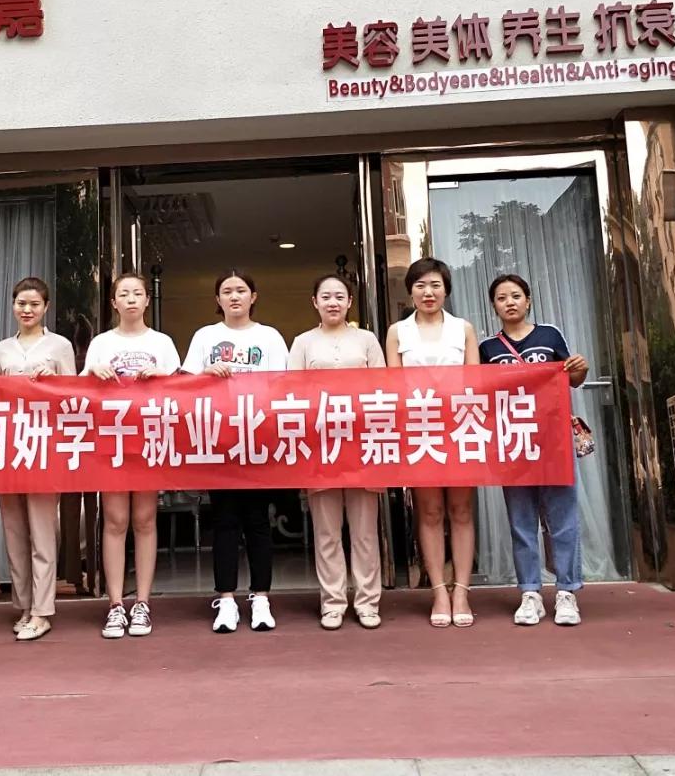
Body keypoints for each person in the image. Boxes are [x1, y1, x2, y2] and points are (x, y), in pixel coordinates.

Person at [479, 273, 589, 626]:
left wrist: (580, 369)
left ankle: (567, 592)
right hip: (514, 442)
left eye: (515, 295)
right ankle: (530, 593)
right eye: (501, 298)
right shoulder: (487, 348)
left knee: (563, 518)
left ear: (528, 300)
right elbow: (479, 393)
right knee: (521, 520)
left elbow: (572, 378)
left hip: (554, 440)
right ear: (494, 306)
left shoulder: (550, 335)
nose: (509, 302)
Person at [183, 269, 289, 634]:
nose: (234, 296)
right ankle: (226, 599)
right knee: (224, 521)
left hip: (258, 439)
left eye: (241, 290)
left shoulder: (269, 337)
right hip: (219, 440)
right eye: (226, 291)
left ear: (253, 296)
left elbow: (285, 385)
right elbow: (183, 384)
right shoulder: (205, 336)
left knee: (258, 521)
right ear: (217, 299)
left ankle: (261, 597)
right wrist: (205, 374)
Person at [83, 273, 181, 639]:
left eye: (137, 293)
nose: (131, 299)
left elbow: (183, 390)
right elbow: (80, 390)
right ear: (113, 302)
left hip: (149, 438)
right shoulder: (101, 343)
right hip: (111, 440)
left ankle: (142, 603)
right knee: (114, 520)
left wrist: (162, 376)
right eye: (123, 294)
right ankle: (114, 604)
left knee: (144, 520)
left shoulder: (162, 343)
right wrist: (93, 371)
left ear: (146, 300)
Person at [385, 257, 480, 628]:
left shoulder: (463, 329)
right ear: (410, 291)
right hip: (419, 428)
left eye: (435, 285)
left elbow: (476, 382)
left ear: (446, 290)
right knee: (429, 512)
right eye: (421, 285)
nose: (428, 292)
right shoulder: (397, 332)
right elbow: (393, 386)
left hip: (460, 428)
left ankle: (462, 592)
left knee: (461, 510)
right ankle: (439, 591)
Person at [288, 274, 385, 630]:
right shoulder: (302, 342)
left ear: (349, 302)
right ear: (314, 302)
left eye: (339, 296)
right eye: (326, 296)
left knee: (364, 532)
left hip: (363, 443)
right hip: (320, 446)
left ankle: (368, 602)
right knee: (327, 532)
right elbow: (291, 393)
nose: (333, 302)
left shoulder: (367, 340)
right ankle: (332, 603)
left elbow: (384, 387)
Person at [0, 277, 76, 642]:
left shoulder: (60, 346)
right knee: (14, 532)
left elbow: (76, 396)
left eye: (34, 304)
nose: (27, 310)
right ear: (13, 306)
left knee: (43, 532)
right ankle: (24, 605)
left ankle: (43, 610)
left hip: (44, 445)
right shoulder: (1, 349)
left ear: (46, 307)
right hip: (8, 446)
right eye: (21, 303)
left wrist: (54, 380)